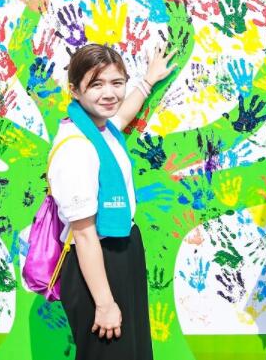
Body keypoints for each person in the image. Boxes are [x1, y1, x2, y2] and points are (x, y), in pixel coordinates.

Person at [48, 43, 174, 360]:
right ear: (74, 90)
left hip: (121, 252)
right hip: (96, 262)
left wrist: (148, 80)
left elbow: (123, 114)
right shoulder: (76, 147)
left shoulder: (101, 131)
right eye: (96, 84)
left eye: (117, 83)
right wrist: (104, 304)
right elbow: (84, 234)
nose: (109, 94)